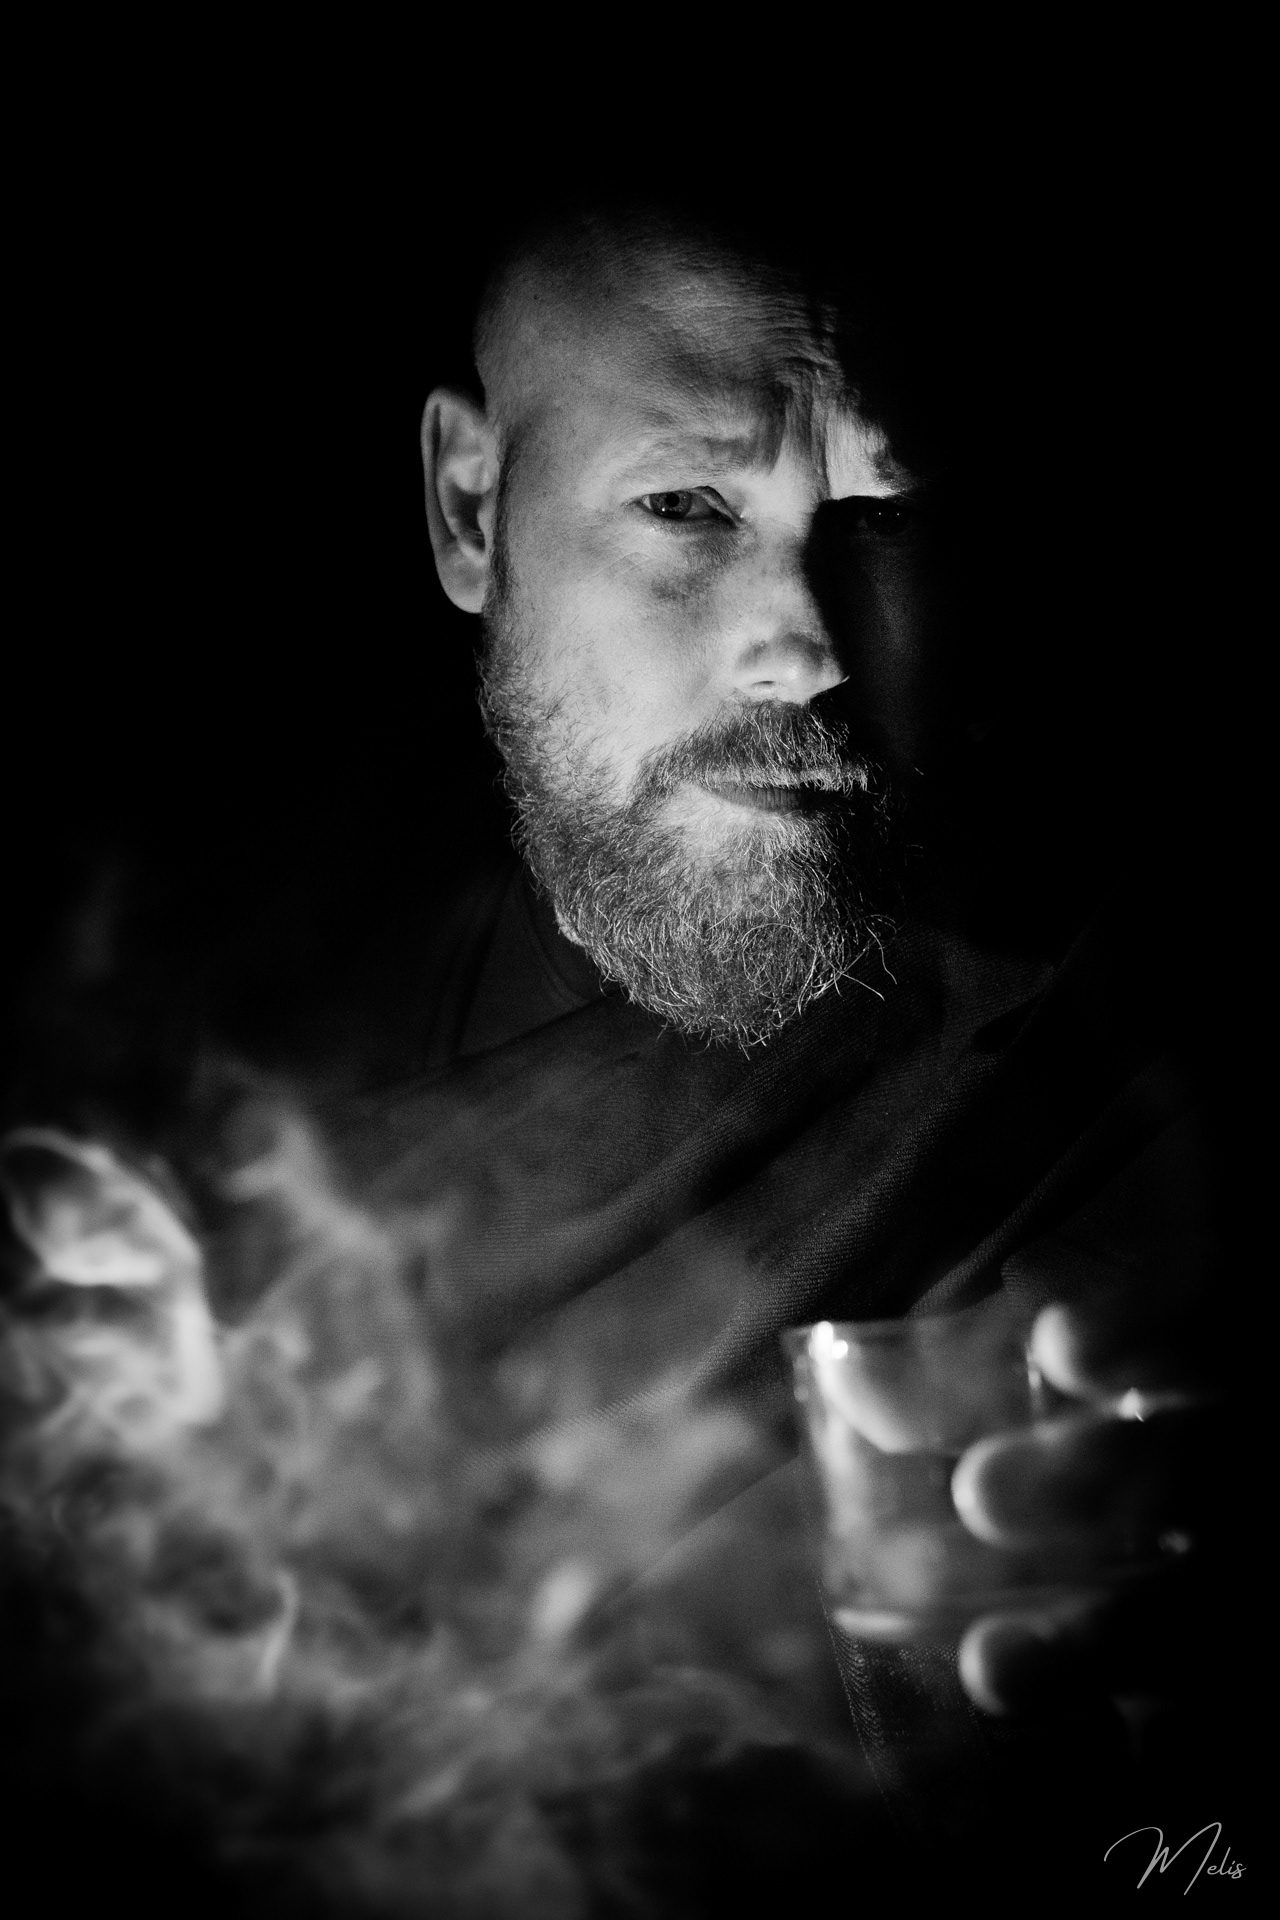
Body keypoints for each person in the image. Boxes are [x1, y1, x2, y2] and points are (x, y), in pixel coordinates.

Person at [306, 193, 1239, 1891]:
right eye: (687, 506)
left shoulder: (1130, 1063)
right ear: (470, 508)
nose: (803, 646)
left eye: (883, 514)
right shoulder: (245, 1069)